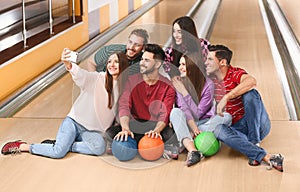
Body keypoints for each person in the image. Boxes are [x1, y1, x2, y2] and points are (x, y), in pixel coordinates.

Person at [1, 48, 129, 158]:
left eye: (116, 62)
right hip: (74, 123)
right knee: (58, 152)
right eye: (109, 61)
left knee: (100, 148)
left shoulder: (124, 89)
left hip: (92, 132)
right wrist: (68, 64)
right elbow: (81, 75)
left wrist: (124, 128)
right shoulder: (96, 78)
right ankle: (23, 146)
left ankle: (65, 144)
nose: (112, 64)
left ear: (123, 65)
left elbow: (121, 112)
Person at [205, 44, 284, 172]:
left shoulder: (234, 73)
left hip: (258, 125)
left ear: (222, 62)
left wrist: (227, 97)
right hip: (238, 130)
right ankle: (263, 155)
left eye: (209, 59)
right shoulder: (210, 80)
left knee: (251, 94)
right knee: (219, 130)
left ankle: (254, 141)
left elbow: (251, 81)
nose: (205, 62)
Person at [106, 43, 178, 160]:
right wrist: (125, 128)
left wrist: (156, 131)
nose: (141, 63)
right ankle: (151, 147)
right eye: (142, 59)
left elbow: (165, 114)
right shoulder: (131, 81)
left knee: (170, 134)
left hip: (154, 124)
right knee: (109, 133)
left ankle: (137, 145)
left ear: (157, 64)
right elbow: (124, 106)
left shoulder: (168, 86)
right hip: (134, 123)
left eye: (146, 60)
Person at [169, 52, 232, 167]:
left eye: (183, 65)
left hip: (204, 122)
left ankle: (184, 140)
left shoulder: (208, 84)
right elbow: (184, 109)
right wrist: (193, 128)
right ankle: (193, 151)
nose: (180, 68)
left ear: (192, 67)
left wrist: (185, 92)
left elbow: (199, 113)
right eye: (179, 64)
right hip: (188, 123)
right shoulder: (178, 82)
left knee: (227, 117)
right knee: (175, 112)